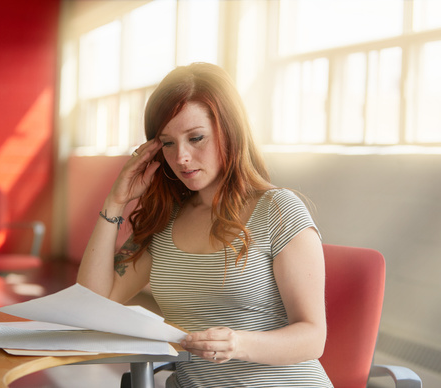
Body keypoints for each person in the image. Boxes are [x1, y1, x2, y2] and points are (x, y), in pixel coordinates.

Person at [77, 62, 333, 387]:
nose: (181, 156)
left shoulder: (279, 210)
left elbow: (313, 338)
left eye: (196, 138)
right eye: (168, 143)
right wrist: (115, 202)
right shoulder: (165, 221)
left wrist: (237, 343)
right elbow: (92, 305)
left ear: (229, 130)